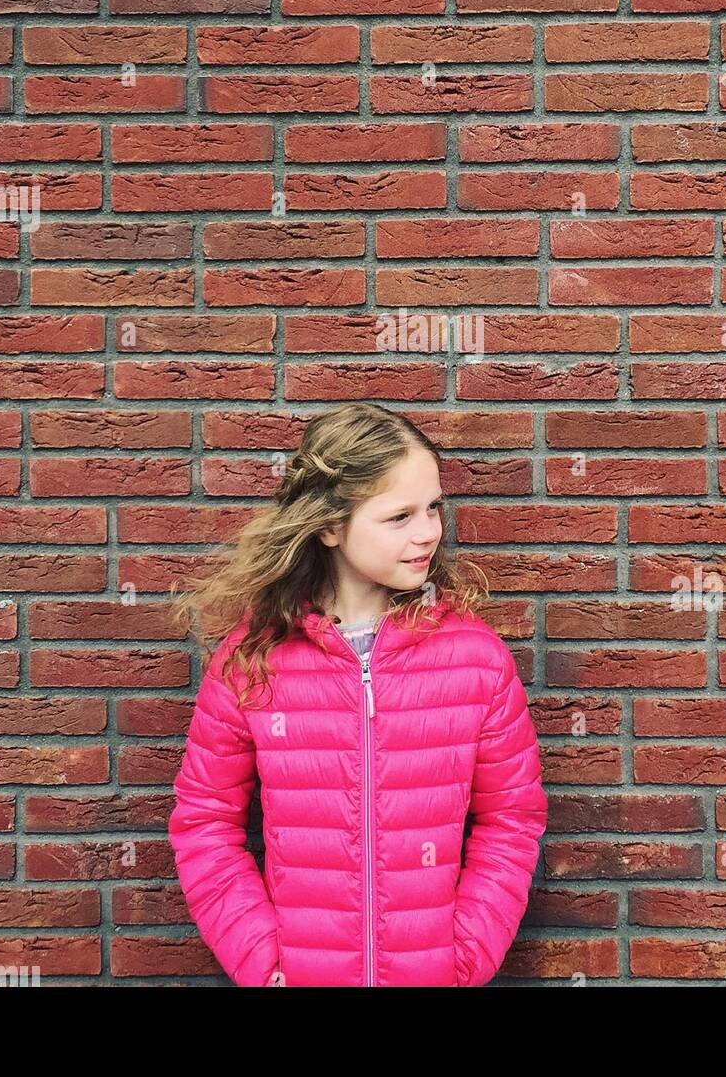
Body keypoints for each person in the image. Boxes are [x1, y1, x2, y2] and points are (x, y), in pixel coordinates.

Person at [167, 401, 547, 986]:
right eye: (399, 517)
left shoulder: (477, 660)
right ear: (329, 525)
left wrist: (463, 957)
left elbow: (511, 821)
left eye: (433, 509)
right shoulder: (252, 662)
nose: (428, 533)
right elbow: (204, 822)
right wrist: (265, 964)